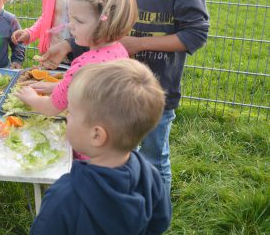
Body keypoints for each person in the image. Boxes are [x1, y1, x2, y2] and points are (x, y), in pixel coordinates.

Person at [43, 0, 210, 193]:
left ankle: (155, 211)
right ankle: (123, 203)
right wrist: (66, 44)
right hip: (114, 93)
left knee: (153, 158)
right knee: (121, 157)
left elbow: (195, 35)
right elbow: (99, 28)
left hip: (157, 93)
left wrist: (140, 43)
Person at [30, 60, 172, 234]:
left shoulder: (65, 196)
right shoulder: (151, 176)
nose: (67, 117)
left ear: (97, 136)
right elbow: (160, 222)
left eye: (71, 113)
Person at [16, 0, 137, 117]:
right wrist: (57, 87)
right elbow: (92, 89)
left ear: (104, 22)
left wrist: (32, 98)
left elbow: (51, 108)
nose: (71, 26)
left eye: (79, 21)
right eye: (71, 18)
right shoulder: (120, 51)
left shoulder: (84, 65)